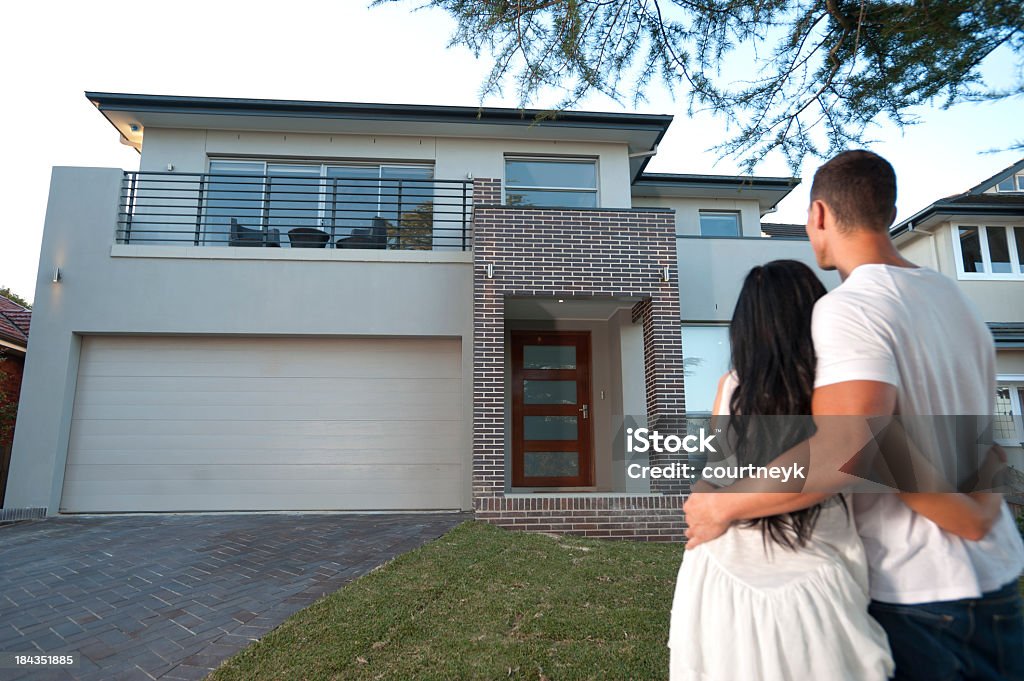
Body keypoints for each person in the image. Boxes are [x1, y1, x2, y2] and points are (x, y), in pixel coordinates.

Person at [682, 150, 1024, 681]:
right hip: (997, 577)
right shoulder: (957, 301)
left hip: (916, 585)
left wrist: (724, 507)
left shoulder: (848, 308)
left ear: (819, 215)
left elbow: (850, 447)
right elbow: (983, 441)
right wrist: (979, 510)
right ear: (887, 210)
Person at [669, 259, 895, 681]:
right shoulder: (840, 385)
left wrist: (702, 509)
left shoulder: (730, 386)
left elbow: (713, 476)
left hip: (721, 571)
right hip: (817, 578)